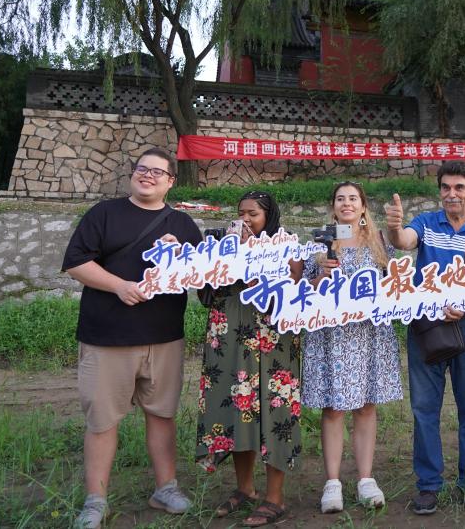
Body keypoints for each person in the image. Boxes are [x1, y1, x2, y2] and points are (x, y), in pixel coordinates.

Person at [62, 148, 203, 529]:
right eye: (142, 169)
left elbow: (201, 274)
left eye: (158, 172)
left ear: (170, 182)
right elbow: (76, 262)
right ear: (132, 174)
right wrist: (119, 286)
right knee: (102, 420)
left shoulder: (183, 223)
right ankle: (95, 501)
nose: (148, 176)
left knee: (162, 414)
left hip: (164, 337)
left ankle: (166, 488)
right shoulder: (104, 214)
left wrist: (181, 256)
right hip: (107, 337)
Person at [385, 161, 465, 515]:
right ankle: (428, 485)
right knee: (424, 409)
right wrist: (394, 228)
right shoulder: (425, 223)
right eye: (446, 187)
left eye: (459, 187)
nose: (452, 194)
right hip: (426, 327)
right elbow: (405, 241)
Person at [194, 190, 304, 526]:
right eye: (240, 212)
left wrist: (250, 255)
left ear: (269, 215)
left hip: (273, 339)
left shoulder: (286, 243)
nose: (244, 220)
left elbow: (292, 285)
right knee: (236, 405)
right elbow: (205, 289)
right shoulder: (223, 242)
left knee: (275, 410)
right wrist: (222, 254)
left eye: (252, 214)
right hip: (229, 334)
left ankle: (275, 497)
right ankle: (245, 489)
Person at [302, 182, 403, 513]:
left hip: (369, 334)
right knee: (333, 408)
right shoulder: (318, 244)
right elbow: (301, 292)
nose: (346, 203)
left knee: (366, 406)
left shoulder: (380, 242)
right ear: (333, 206)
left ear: (363, 207)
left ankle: (365, 479)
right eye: (340, 198)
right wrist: (320, 277)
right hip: (330, 336)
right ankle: (332, 482)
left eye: (353, 198)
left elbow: (396, 284)